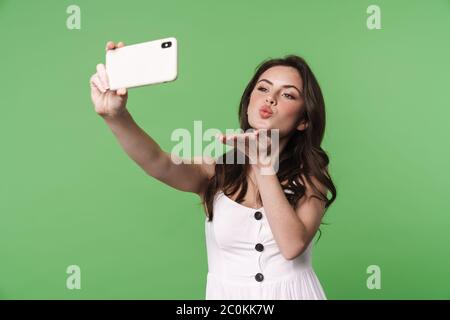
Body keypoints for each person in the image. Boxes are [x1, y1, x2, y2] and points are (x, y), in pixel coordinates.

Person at [90, 41, 337, 300]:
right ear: (249, 99)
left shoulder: (310, 178)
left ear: (304, 120)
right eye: (263, 88)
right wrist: (115, 116)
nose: (270, 98)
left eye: (288, 94)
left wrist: (263, 164)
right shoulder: (214, 172)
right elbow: (157, 162)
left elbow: (292, 245)